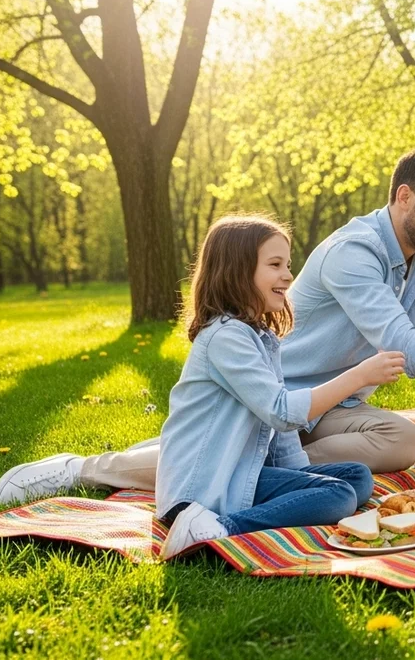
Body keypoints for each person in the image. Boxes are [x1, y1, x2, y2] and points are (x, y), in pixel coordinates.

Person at [0, 147, 415, 506]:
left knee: (405, 440)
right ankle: (86, 469)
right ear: (404, 197)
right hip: (272, 396)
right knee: (243, 453)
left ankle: (253, 471)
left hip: (335, 405)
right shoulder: (353, 253)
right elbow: (403, 344)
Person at [152, 215, 401, 559]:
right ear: (237, 271)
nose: (288, 275)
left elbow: (280, 437)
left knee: (356, 476)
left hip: (242, 475)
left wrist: (301, 480)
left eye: (288, 264)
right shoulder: (225, 337)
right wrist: (359, 376)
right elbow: (282, 412)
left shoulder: (259, 336)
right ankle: (215, 530)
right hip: (203, 489)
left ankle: (243, 516)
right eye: (275, 264)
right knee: (340, 495)